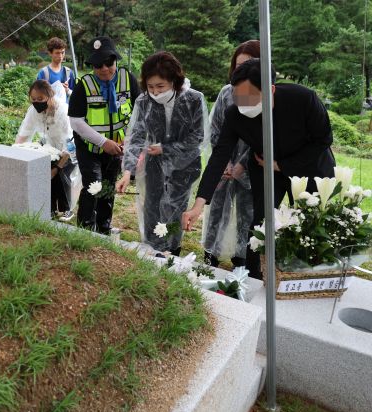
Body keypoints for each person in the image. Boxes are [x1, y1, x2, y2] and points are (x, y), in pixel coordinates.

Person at [182, 58, 336, 278]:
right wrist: (198, 205)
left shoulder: (303, 99)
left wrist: (280, 165)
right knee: (260, 224)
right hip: (263, 167)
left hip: (311, 165)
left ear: (270, 89)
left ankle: (307, 277)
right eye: (237, 96)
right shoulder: (235, 114)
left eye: (249, 97)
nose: (243, 104)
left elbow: (323, 140)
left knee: (311, 222)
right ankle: (255, 277)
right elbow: (219, 157)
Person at [115, 51, 206, 256]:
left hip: (184, 167)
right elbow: (136, 136)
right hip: (154, 167)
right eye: (150, 86)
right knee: (152, 209)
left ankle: (172, 252)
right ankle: (152, 252)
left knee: (175, 212)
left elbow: (197, 137)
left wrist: (166, 149)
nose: (155, 92)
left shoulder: (193, 100)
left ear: (175, 81)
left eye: (160, 86)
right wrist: (127, 171)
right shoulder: (144, 102)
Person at [68, 36, 140, 234]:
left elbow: (140, 112)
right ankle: (84, 230)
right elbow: (75, 121)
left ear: (116, 60)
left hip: (117, 147)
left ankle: (103, 228)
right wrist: (103, 142)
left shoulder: (128, 79)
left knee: (108, 187)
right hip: (90, 146)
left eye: (109, 63)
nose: (104, 69)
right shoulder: (84, 85)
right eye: (98, 65)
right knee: (94, 185)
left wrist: (131, 138)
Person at [202, 40, 260, 268]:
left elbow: (264, 138)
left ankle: (243, 259)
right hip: (225, 167)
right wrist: (225, 162)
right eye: (238, 66)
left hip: (252, 166)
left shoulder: (265, 95)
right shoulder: (227, 93)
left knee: (248, 214)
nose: (242, 70)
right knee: (217, 210)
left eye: (248, 64)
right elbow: (215, 129)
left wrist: (243, 164)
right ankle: (210, 256)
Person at [15, 80, 77, 222]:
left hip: (71, 148)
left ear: (50, 96)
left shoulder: (62, 110)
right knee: (45, 172)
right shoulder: (33, 111)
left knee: (61, 173)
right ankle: (50, 209)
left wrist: (57, 167)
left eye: (40, 99)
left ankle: (66, 209)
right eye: (34, 99)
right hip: (52, 148)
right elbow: (24, 133)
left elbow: (69, 142)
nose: (36, 102)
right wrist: (15, 152)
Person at [36, 37, 76, 102]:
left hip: (65, 111)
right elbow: (37, 96)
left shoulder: (68, 72)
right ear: (50, 53)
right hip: (48, 110)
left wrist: (67, 90)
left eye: (62, 52)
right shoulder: (43, 73)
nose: (60, 56)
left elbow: (75, 95)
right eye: (57, 53)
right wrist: (56, 89)